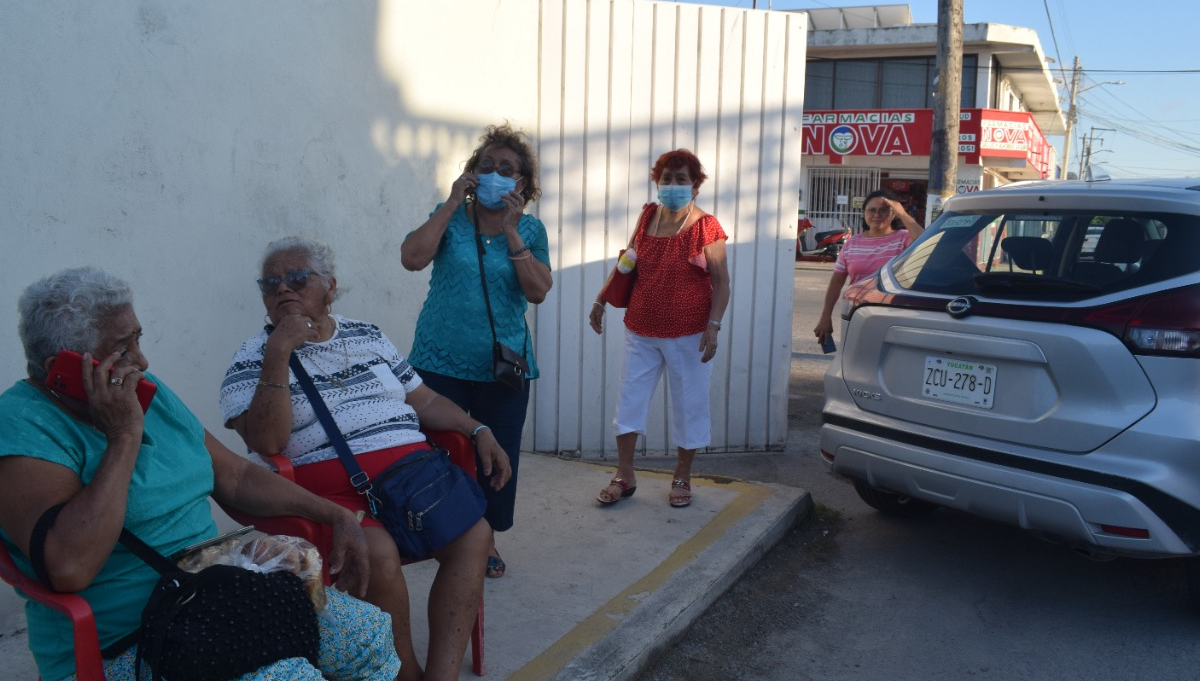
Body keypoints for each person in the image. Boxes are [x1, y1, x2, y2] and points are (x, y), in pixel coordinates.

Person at [0, 267, 399, 681]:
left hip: (218, 595)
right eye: (122, 348)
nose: (142, 360)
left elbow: (235, 476)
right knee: (287, 676)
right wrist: (123, 436)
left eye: (138, 338)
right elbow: (69, 567)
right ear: (61, 368)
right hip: (130, 640)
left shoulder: (139, 386)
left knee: (369, 634)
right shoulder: (23, 426)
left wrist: (334, 514)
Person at [220, 236, 511, 681]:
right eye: (271, 284)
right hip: (329, 490)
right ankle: (403, 673)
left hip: (410, 476)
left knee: (476, 534)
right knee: (376, 551)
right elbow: (268, 443)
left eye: (298, 278)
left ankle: (442, 675)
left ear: (330, 287)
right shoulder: (251, 356)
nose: (283, 289)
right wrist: (279, 352)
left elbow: (426, 400)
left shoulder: (368, 335)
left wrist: (478, 429)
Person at [400, 122, 552, 579]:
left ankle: (484, 540)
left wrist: (511, 233)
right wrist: (450, 203)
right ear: (471, 173)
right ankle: (439, 532)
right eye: (486, 166)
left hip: (501, 369)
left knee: (496, 456)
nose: (495, 174)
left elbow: (539, 291)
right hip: (437, 361)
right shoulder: (449, 218)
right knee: (436, 452)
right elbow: (411, 257)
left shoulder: (530, 228)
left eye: (507, 168)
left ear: (521, 182)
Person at [588, 149, 730, 508]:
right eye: (666, 178)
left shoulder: (705, 226)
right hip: (640, 328)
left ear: (695, 186)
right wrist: (601, 299)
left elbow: (722, 282)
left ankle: (682, 476)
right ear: (657, 182)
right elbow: (627, 261)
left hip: (688, 334)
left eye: (681, 179)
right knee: (629, 402)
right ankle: (625, 474)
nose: (672, 185)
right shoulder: (647, 215)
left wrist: (713, 327)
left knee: (689, 406)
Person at [813, 189, 923, 347]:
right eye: (872, 210)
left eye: (884, 210)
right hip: (857, 316)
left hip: (894, 317)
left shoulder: (904, 238)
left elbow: (926, 243)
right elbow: (836, 281)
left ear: (894, 214)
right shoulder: (852, 243)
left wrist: (903, 214)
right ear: (864, 213)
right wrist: (825, 317)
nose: (877, 214)